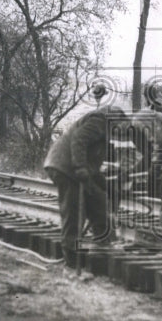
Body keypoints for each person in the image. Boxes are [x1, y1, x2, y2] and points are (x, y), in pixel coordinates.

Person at [43, 106, 127, 267]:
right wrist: (80, 167)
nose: (121, 134)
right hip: (66, 168)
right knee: (74, 213)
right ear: (118, 119)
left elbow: (93, 166)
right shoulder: (100, 120)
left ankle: (104, 246)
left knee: (99, 201)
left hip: (74, 168)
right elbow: (79, 139)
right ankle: (72, 262)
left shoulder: (105, 130)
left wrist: (108, 187)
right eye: (123, 128)